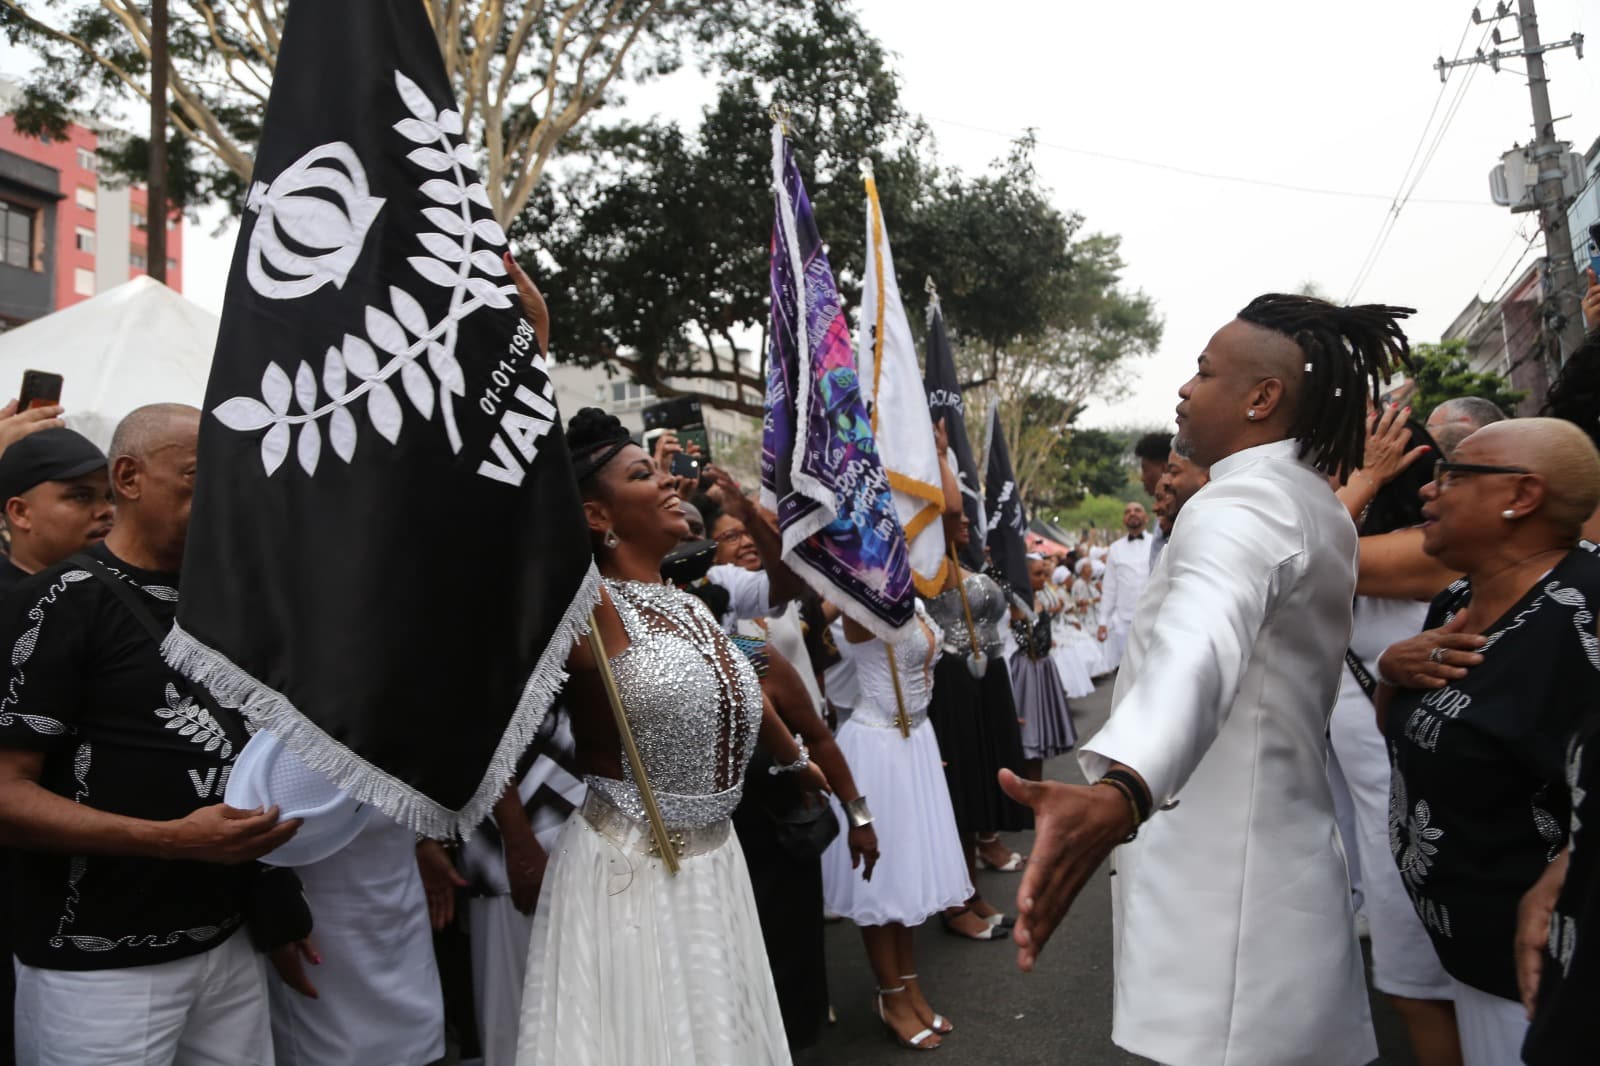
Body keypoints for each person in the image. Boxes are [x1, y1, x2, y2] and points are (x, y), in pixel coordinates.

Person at [1003, 293, 1415, 1066]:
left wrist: (1123, 787)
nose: (1185, 390)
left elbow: (1202, 643)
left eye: (1203, 372)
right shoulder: (1313, 503)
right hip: (1278, 871)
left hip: (1225, 891)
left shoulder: (1241, 505)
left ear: (1262, 398)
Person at [0, 404, 309, 1066]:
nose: (223, 492)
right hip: (100, 966)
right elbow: (5, 794)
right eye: (199, 474)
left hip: (227, 945)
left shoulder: (225, 601)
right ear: (131, 478)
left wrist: (273, 907)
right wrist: (169, 841)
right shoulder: (61, 602)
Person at [515, 407, 790, 1066]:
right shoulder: (589, 606)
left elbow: (780, 605)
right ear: (595, 515)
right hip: (631, 867)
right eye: (645, 473)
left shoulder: (691, 602)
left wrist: (801, 761)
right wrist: (532, 348)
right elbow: (526, 513)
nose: (670, 481)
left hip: (715, 862)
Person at [1375, 418, 1600, 1065]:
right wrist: (1392, 669)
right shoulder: (1454, 602)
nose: (1428, 491)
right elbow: (1409, 732)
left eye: (1452, 475)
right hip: (1471, 954)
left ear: (1522, 496)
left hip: (1545, 976)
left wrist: (1565, 872)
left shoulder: (1587, 610)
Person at [1321, 406, 1465, 1066]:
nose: (1320, 481)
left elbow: (1298, 558)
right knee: (1417, 992)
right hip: (1391, 819)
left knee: (1442, 990)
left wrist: (1366, 478)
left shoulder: (1428, 549)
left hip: (1437, 813)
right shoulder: (1358, 545)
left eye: (1330, 467)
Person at [819, 601, 972, 1050]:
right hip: (878, 749)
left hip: (915, 744)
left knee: (907, 876)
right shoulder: (858, 602)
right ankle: (890, 995)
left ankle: (909, 985)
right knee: (881, 880)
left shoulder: (914, 600)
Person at [921, 428, 1031, 937]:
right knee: (960, 794)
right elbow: (944, 506)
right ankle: (956, 902)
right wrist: (939, 453)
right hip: (953, 686)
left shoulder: (963, 563)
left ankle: (972, 891)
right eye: (957, 516)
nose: (965, 519)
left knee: (978, 790)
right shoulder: (928, 567)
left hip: (985, 683)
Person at [0, 428, 113, 596]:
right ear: (21, 512)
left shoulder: (120, 597)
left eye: (110, 497)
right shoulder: (9, 608)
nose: (107, 511)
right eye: (82, 496)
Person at [1011, 555, 1078, 779]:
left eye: (1044, 573)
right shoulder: (1014, 607)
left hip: (1043, 669)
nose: (1043, 578)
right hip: (1025, 672)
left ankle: (1035, 788)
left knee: (1039, 742)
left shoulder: (1040, 601)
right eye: (1037, 574)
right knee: (1026, 739)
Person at [1095, 502, 1150, 672]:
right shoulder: (1115, 549)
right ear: (1123, 519)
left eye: (1137, 510)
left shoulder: (1157, 543)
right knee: (1127, 675)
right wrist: (1103, 621)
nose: (1132, 513)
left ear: (1146, 518)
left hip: (1154, 619)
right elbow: (1110, 587)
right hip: (1124, 623)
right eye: (1128, 511)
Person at [1134, 431, 1174, 566]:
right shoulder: (1162, 516)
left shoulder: (1178, 515)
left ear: (1164, 468)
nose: (1142, 478)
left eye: (1145, 470)